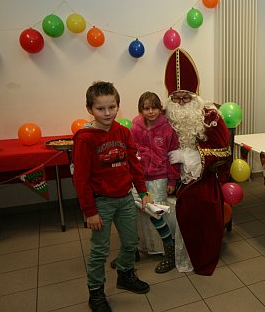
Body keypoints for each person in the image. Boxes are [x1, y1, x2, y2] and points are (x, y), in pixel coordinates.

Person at [72, 81, 153, 312]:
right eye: (101, 108)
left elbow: (134, 166)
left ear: (118, 106)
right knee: (100, 251)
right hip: (101, 202)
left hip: (125, 198)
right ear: (90, 109)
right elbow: (81, 179)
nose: (107, 113)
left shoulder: (123, 132)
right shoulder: (85, 138)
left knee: (130, 243)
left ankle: (125, 275)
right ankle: (95, 292)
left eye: (112, 107)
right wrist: (90, 212)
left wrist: (143, 191)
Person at [164, 48, 232, 275]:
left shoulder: (210, 116)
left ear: (194, 96)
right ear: (170, 97)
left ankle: (198, 255)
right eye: (177, 98)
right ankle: (166, 251)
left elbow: (224, 151)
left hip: (201, 176)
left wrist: (194, 157)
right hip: (168, 175)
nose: (181, 103)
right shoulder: (164, 115)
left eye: (186, 97)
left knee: (199, 203)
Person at [130, 91, 180, 273]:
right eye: (146, 108)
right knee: (137, 212)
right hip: (140, 177)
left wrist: (172, 180)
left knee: (157, 212)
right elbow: (131, 153)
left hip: (160, 176)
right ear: (140, 110)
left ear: (160, 108)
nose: (151, 112)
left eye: (154, 108)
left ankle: (168, 252)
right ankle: (138, 248)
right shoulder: (135, 128)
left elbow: (173, 156)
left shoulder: (167, 129)